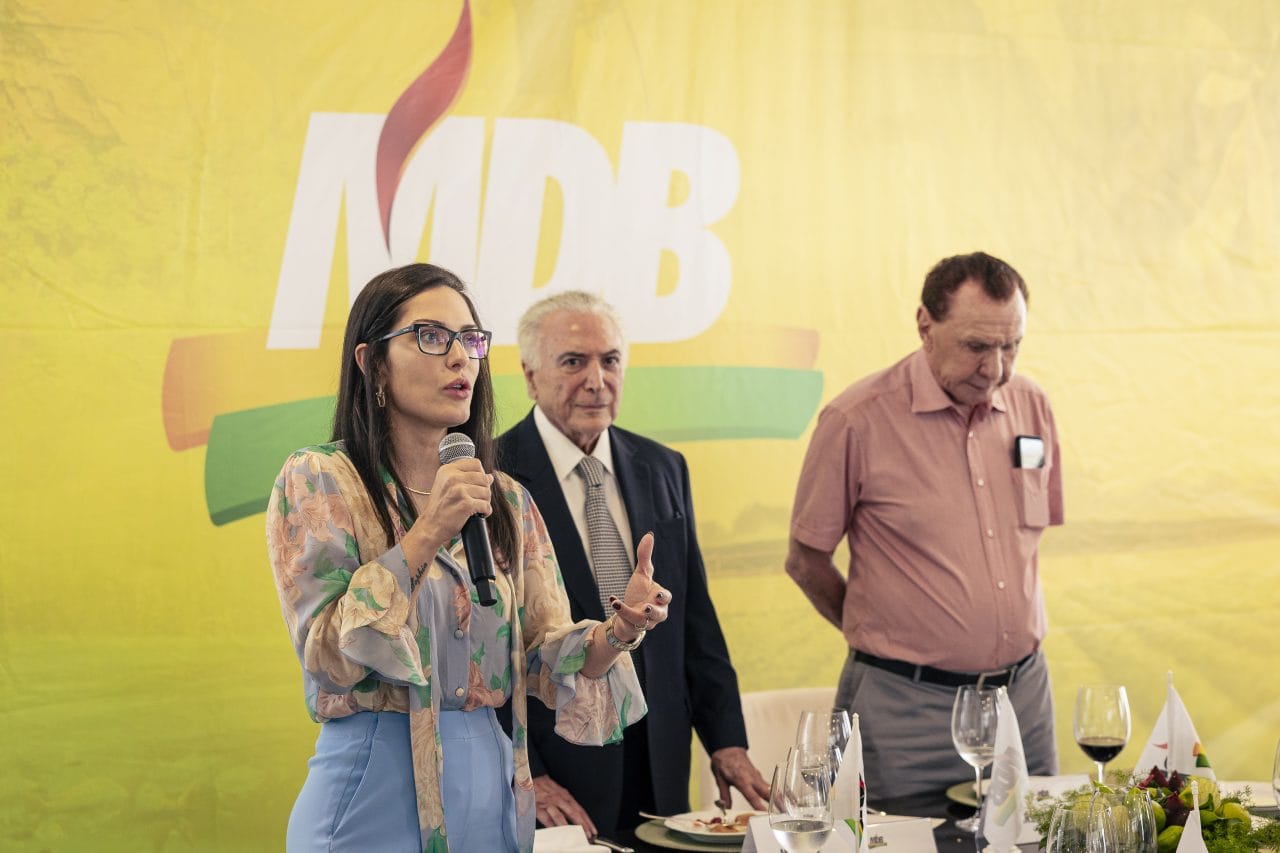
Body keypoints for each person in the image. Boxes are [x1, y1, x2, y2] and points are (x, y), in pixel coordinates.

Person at [266, 264, 671, 852]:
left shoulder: (505, 498)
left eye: (470, 339)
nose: (460, 357)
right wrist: (428, 531)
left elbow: (544, 653)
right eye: (431, 336)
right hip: (372, 796)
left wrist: (621, 630)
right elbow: (328, 654)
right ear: (372, 362)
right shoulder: (321, 481)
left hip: (491, 794)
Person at [786, 251, 1064, 799]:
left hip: (1022, 705)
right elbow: (805, 561)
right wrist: (884, 635)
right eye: (976, 346)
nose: (995, 369)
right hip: (905, 717)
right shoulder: (856, 420)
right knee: (897, 837)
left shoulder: (1032, 405)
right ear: (924, 326)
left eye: (1011, 346)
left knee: (1036, 836)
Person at [496, 291, 769, 840]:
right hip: (556, 774)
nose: (596, 380)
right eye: (573, 361)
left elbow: (695, 621)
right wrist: (524, 770)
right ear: (530, 375)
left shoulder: (663, 467)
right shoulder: (492, 475)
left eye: (610, 360)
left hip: (660, 758)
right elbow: (482, 653)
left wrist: (726, 741)